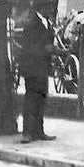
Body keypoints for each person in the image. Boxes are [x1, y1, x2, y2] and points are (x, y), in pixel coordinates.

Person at [19, 11, 56, 143]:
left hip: (43, 68)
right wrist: (44, 49)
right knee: (31, 99)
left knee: (41, 99)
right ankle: (27, 132)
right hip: (33, 68)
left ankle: (39, 131)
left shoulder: (47, 22)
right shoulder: (31, 24)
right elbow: (28, 47)